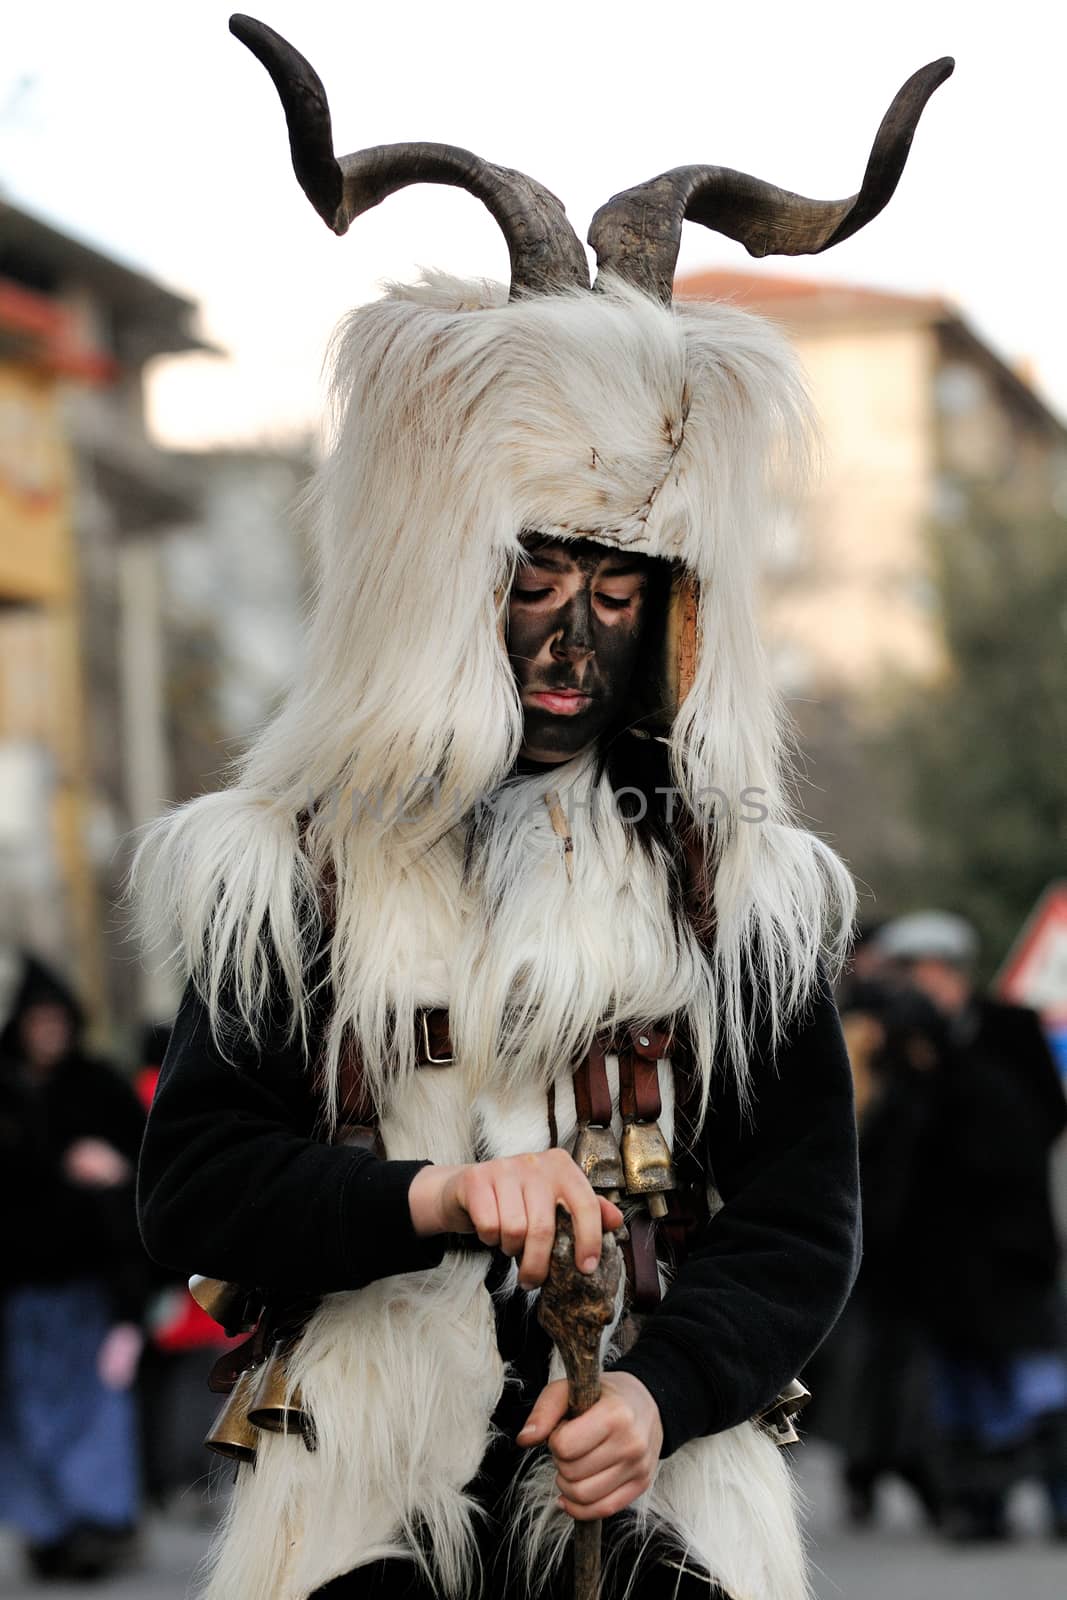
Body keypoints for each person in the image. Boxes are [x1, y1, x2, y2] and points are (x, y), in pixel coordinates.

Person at [134, 18, 952, 1598]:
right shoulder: (285, 865)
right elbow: (198, 1180)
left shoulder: (745, 887)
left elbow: (793, 1223)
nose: (573, 634)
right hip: (362, 1498)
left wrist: (661, 1394)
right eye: (533, 577)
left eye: (616, 585)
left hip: (650, 1498)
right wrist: (429, 1193)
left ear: (671, 600)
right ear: (453, 578)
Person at [876, 911, 1067, 1540]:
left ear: (948, 970)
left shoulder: (1009, 1029)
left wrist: (953, 1063)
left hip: (1009, 1242)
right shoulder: (901, 1042)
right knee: (959, 1386)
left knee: (1036, 1381)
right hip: (940, 1248)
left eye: (918, 972)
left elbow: (1035, 1122)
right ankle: (978, 1504)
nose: (910, 985)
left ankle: (1060, 1495)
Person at [0, 957, 147, 1581]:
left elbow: (152, 1183)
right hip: (15, 1292)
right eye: (40, 1020)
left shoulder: (101, 1089)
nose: (49, 1031)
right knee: (25, 1417)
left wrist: (115, 1172)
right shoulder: (6, 1093)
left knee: (94, 1413)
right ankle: (47, 1528)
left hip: (91, 1289)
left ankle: (97, 1528)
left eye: (59, 1019)